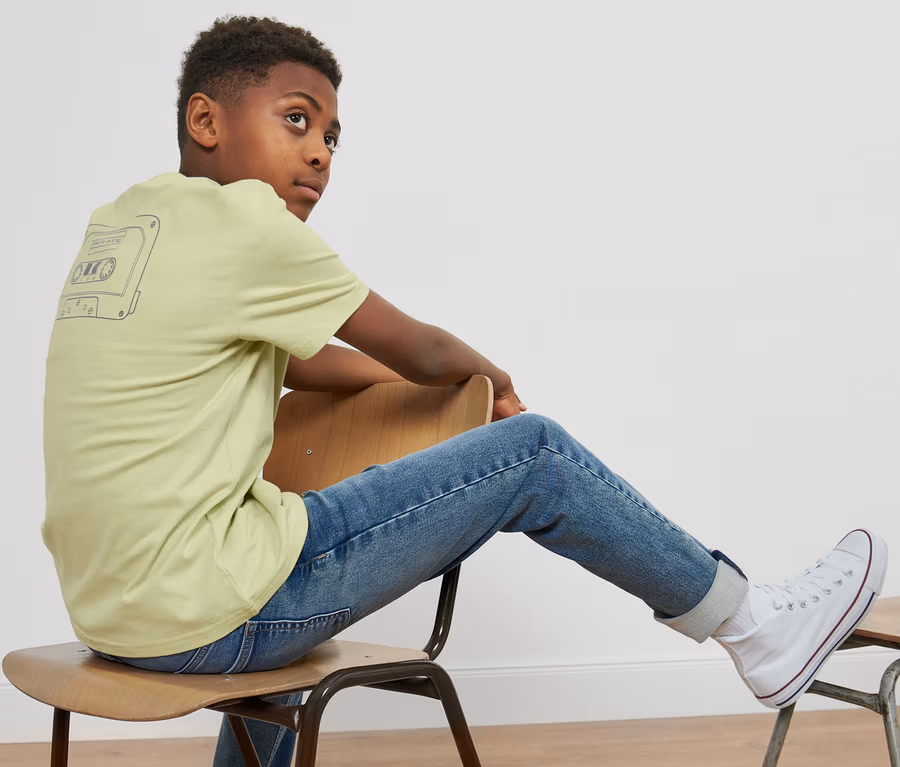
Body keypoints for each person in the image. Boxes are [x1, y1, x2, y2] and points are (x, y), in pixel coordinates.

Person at [41, 15, 887, 767]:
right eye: (297, 119)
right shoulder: (247, 224)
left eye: (332, 137)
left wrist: (427, 393)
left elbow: (306, 362)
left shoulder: (124, 227)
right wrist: (490, 383)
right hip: (210, 617)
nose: (319, 153)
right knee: (538, 454)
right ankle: (754, 625)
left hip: (113, 617)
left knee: (268, 531)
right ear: (206, 120)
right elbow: (420, 345)